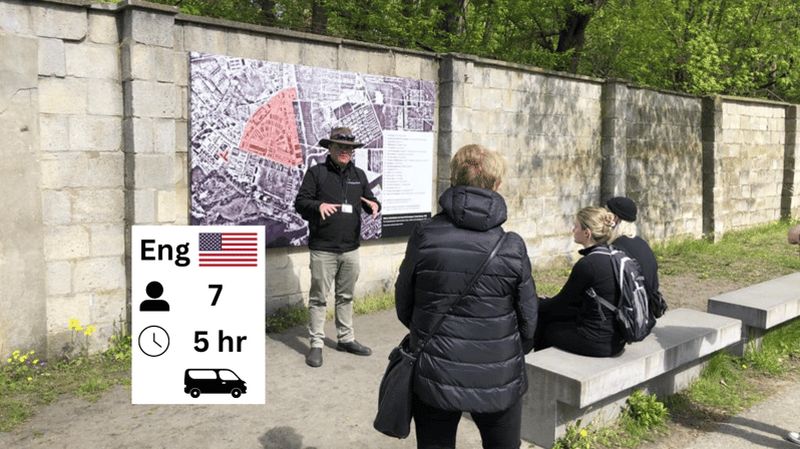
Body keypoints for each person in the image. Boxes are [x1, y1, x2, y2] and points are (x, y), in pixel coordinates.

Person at [394, 144, 538, 449]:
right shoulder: (512, 245)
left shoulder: (425, 234)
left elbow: (404, 304)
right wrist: (505, 351)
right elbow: (528, 320)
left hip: (436, 369)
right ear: (497, 186)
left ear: (453, 181)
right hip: (498, 374)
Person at [294, 126, 381, 368]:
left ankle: (346, 339)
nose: (345, 151)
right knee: (319, 298)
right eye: (341, 147)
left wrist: (374, 206)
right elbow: (300, 203)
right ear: (330, 148)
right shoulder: (316, 173)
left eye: (349, 148)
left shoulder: (359, 175)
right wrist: (318, 206)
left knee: (346, 296)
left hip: (351, 248)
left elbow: (370, 200)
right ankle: (316, 345)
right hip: (323, 248)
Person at [535, 207, 625, 357]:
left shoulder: (588, 264)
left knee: (547, 326)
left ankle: (539, 375)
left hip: (599, 342)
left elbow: (561, 303)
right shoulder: (614, 255)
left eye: (576, 226)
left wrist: (536, 303)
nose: (572, 230)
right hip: (618, 337)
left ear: (587, 233)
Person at [605, 196, 660, 297]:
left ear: (615, 218)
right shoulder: (641, 243)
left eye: (606, 215)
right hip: (648, 305)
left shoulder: (616, 249)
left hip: (632, 307)